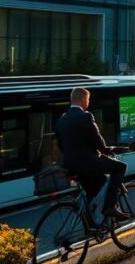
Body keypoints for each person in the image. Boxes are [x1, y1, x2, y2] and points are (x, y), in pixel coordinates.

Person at [56, 87, 130, 220]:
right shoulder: (85, 116)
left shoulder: (62, 119)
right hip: (89, 163)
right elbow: (97, 140)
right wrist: (108, 150)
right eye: (88, 99)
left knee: (96, 187)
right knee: (120, 167)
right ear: (84, 99)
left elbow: (61, 145)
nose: (88, 102)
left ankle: (91, 225)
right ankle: (110, 206)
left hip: (70, 166)